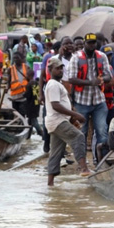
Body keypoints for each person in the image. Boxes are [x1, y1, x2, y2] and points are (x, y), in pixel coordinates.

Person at [44, 56, 91, 186]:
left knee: (55, 153)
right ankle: (84, 168)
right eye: (57, 68)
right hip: (57, 121)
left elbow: (61, 104)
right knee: (78, 136)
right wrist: (75, 114)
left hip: (55, 122)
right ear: (50, 70)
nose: (60, 70)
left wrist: (72, 116)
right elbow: (56, 105)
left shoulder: (56, 84)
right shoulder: (53, 84)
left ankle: (50, 184)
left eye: (61, 68)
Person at [67, 33, 112, 151]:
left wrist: (102, 80)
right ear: (84, 44)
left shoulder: (102, 56)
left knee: (102, 130)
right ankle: (82, 160)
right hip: (81, 101)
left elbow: (109, 75)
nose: (92, 45)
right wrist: (90, 82)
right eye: (89, 43)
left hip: (99, 100)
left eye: (93, 43)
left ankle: (102, 159)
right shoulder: (76, 57)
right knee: (82, 132)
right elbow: (71, 78)